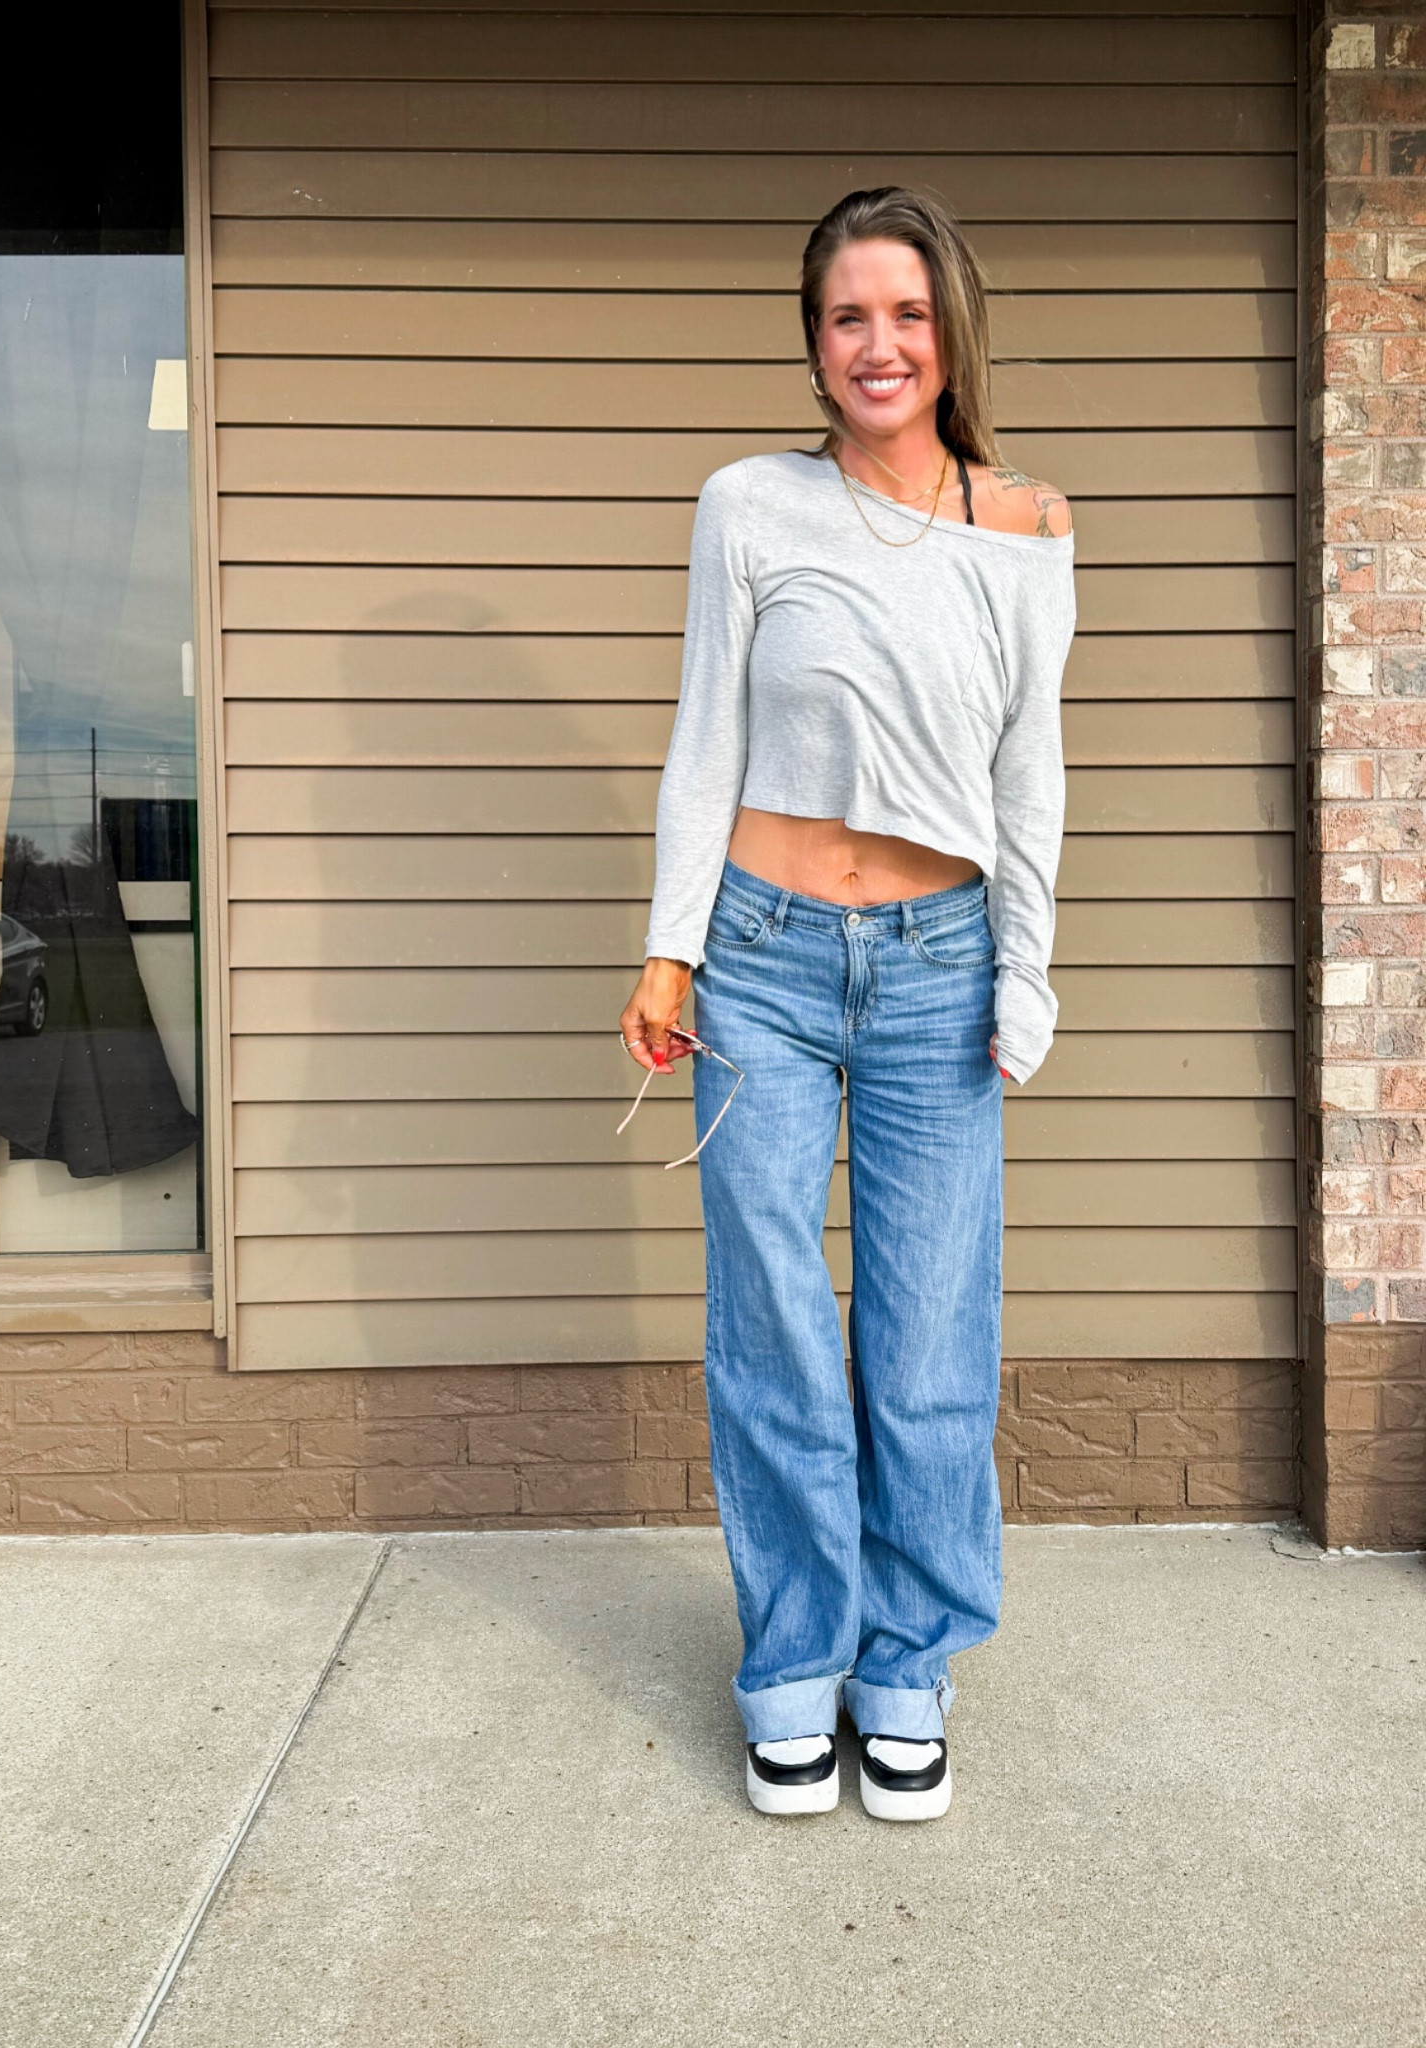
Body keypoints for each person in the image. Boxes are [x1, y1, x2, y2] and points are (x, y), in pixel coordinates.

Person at [617, 187, 1076, 1821]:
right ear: (812, 342)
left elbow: (1030, 770)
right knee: (773, 1334)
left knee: (932, 1339)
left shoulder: (1026, 525)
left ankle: (907, 1667)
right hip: (760, 959)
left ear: (951, 327)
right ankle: (794, 1664)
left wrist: (1025, 966)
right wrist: (670, 946)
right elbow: (704, 739)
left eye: (906, 312)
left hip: (942, 962)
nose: (878, 345)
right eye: (844, 317)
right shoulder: (749, 505)